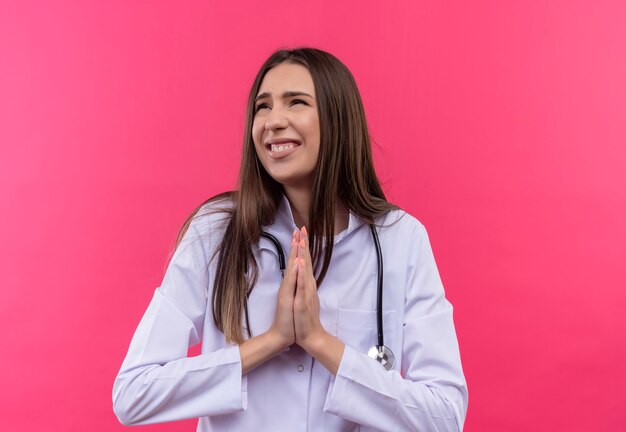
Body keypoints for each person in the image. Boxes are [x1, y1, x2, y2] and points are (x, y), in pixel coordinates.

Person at [112, 47, 468, 431]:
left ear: (338, 120)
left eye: (296, 102)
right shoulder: (216, 231)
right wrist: (271, 341)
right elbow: (133, 394)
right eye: (262, 107)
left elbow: (445, 417)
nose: (273, 121)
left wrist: (320, 342)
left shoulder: (400, 239)